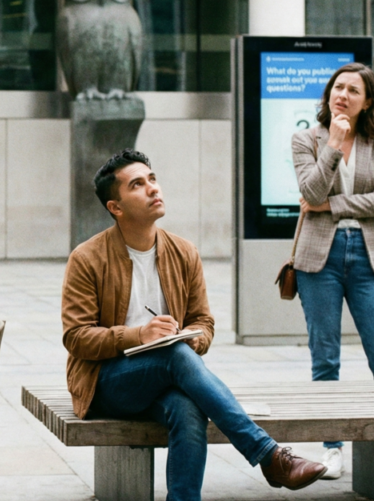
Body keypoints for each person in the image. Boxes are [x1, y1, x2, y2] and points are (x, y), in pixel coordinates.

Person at [62, 149, 327, 501]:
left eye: (152, 179)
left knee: (188, 409)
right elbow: (76, 337)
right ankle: (269, 456)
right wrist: (139, 334)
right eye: (137, 185)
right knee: (175, 357)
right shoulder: (87, 258)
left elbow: (204, 322)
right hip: (107, 383)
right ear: (116, 207)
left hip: (168, 374)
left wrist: (190, 339)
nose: (153, 188)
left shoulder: (183, 252)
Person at [292, 62, 374, 479]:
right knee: (325, 355)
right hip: (317, 259)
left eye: (353, 90)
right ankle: (332, 447)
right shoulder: (306, 138)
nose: (342, 95)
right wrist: (334, 145)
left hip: (368, 254)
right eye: (337, 87)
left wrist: (333, 206)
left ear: (367, 101)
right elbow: (309, 191)